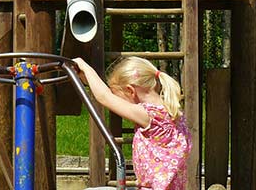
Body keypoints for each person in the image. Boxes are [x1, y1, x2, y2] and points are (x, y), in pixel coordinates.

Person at [73, 57, 191, 190]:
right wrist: (86, 77)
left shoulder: (149, 115)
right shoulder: (171, 113)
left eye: (118, 96)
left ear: (130, 91)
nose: (119, 103)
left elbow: (104, 97)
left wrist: (84, 66)